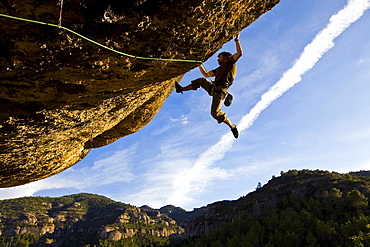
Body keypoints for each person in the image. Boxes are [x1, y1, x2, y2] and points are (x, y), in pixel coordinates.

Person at [175, 34, 243, 138]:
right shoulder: (218, 69)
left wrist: (237, 40)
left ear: (225, 57)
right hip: (214, 88)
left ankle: (232, 126)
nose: (217, 60)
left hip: (221, 90)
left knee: (215, 113)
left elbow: (239, 53)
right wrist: (199, 64)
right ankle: (180, 89)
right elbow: (206, 74)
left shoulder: (230, 63)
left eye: (219, 57)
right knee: (201, 80)